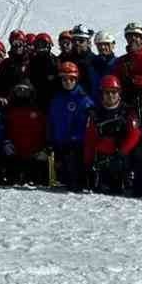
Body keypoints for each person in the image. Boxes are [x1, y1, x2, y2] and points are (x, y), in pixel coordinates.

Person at [83, 75, 141, 195]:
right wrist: (88, 164)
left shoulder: (128, 112)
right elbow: (90, 140)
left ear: (119, 93)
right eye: (107, 92)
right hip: (103, 158)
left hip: (122, 156)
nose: (110, 95)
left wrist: (121, 153)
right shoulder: (95, 114)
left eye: (114, 92)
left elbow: (135, 135)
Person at [47, 61, 93, 192]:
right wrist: (50, 140)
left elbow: (89, 125)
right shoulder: (56, 99)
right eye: (64, 79)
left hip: (77, 145)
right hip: (59, 144)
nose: (68, 82)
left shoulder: (84, 100)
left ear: (76, 79)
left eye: (71, 79)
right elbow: (51, 122)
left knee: (74, 180)